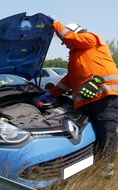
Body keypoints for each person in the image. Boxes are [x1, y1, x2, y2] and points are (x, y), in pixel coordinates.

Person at [42, 15, 118, 177]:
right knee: (94, 132)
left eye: (66, 40)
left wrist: (55, 24)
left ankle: (107, 168)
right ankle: (93, 162)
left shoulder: (91, 39)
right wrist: (51, 94)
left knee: (107, 130)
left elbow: (69, 37)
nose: (65, 44)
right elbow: (69, 79)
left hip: (105, 94)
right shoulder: (76, 56)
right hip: (90, 99)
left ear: (75, 32)